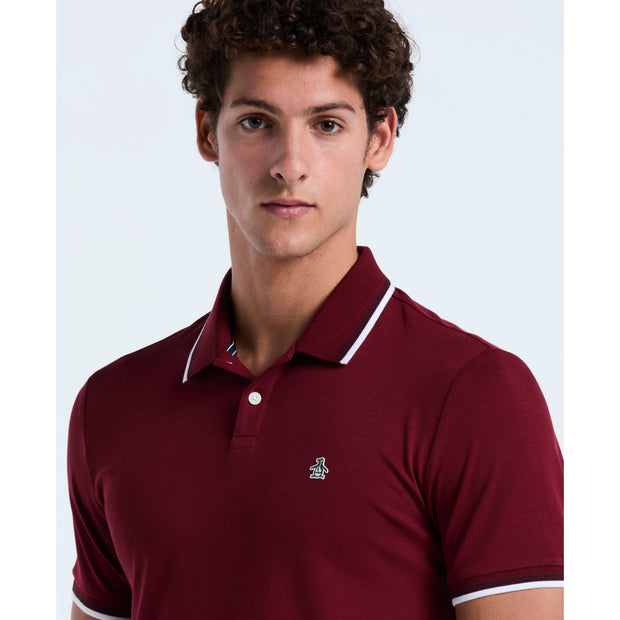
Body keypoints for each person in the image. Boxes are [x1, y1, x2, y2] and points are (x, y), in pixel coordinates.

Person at [68, 0, 563, 618]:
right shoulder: (112, 406)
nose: (290, 166)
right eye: (256, 122)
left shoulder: (475, 396)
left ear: (378, 139)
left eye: (326, 124)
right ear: (207, 133)